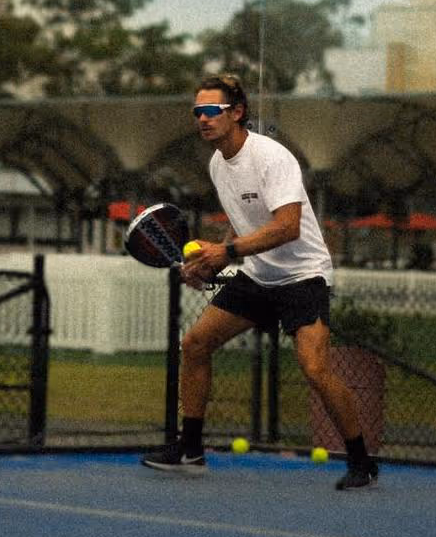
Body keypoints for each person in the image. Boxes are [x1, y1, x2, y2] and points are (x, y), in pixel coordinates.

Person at [140, 74, 380, 490]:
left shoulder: (272, 157)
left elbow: (287, 227)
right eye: (197, 112)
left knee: (315, 369)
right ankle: (191, 449)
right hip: (257, 274)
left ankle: (361, 461)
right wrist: (214, 261)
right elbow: (244, 227)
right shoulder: (218, 164)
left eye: (211, 111)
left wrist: (226, 254)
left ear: (237, 113)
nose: (202, 119)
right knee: (195, 344)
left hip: (303, 276)